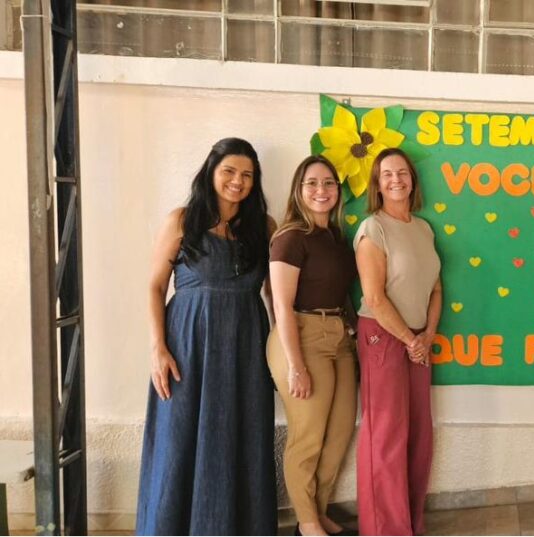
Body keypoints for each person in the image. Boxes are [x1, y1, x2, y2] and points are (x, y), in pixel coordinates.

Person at [137, 138, 277, 535]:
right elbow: (154, 286)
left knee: (242, 433)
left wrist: (283, 349)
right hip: (187, 345)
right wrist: (158, 348)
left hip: (246, 344)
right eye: (229, 171)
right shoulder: (182, 221)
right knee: (178, 436)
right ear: (211, 172)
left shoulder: (264, 227)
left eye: (247, 175)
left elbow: (275, 293)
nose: (238, 181)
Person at [267, 155, 358, 536]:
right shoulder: (290, 238)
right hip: (301, 337)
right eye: (312, 183)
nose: (322, 190)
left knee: (338, 434)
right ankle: (306, 523)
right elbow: (281, 305)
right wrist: (296, 365)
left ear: (338, 191)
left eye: (329, 183)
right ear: (298, 190)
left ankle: (318, 511)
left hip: (338, 338)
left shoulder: (337, 238)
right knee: (308, 437)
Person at [353, 147, 442, 536]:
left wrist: (427, 335)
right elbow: (374, 298)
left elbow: (436, 288)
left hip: (418, 340)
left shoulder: (423, 229)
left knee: (419, 434)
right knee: (386, 437)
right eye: (387, 174)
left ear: (412, 180)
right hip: (383, 338)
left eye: (402, 172)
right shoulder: (373, 229)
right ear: (377, 184)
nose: (396, 180)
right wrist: (409, 339)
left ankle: (410, 524)